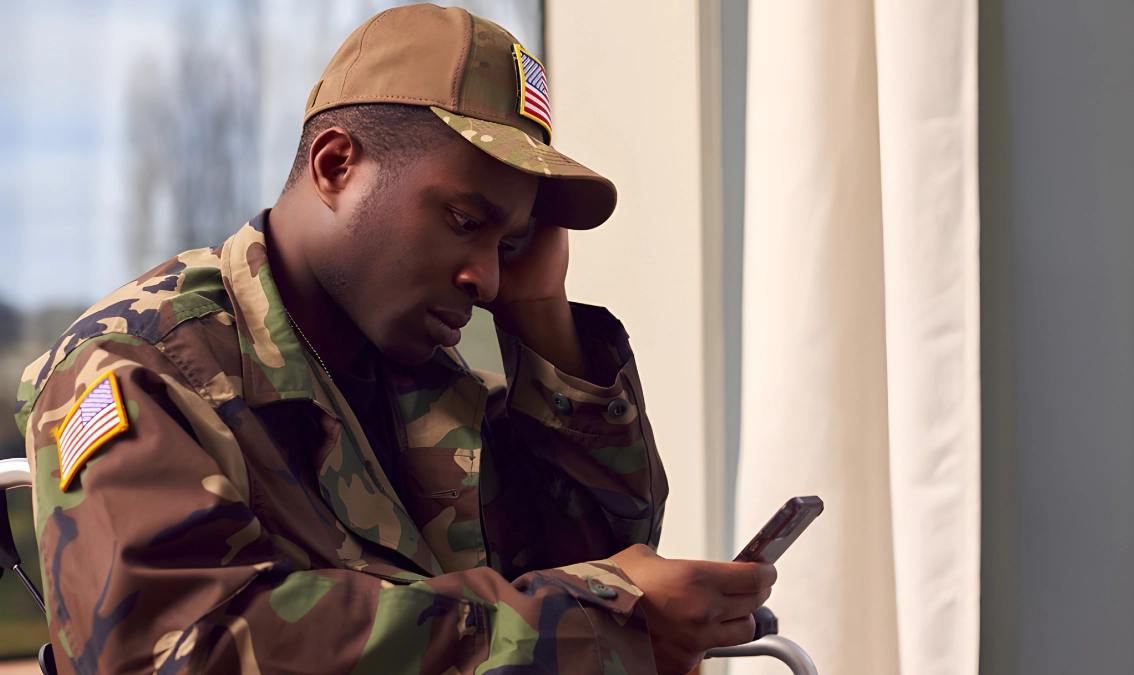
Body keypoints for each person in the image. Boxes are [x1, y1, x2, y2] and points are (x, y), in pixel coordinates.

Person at [13, 5, 775, 674]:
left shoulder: (424, 378)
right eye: (465, 220)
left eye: (509, 241)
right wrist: (600, 626)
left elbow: (600, 552)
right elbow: (181, 650)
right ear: (336, 164)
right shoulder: (139, 363)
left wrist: (542, 304)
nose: (489, 278)